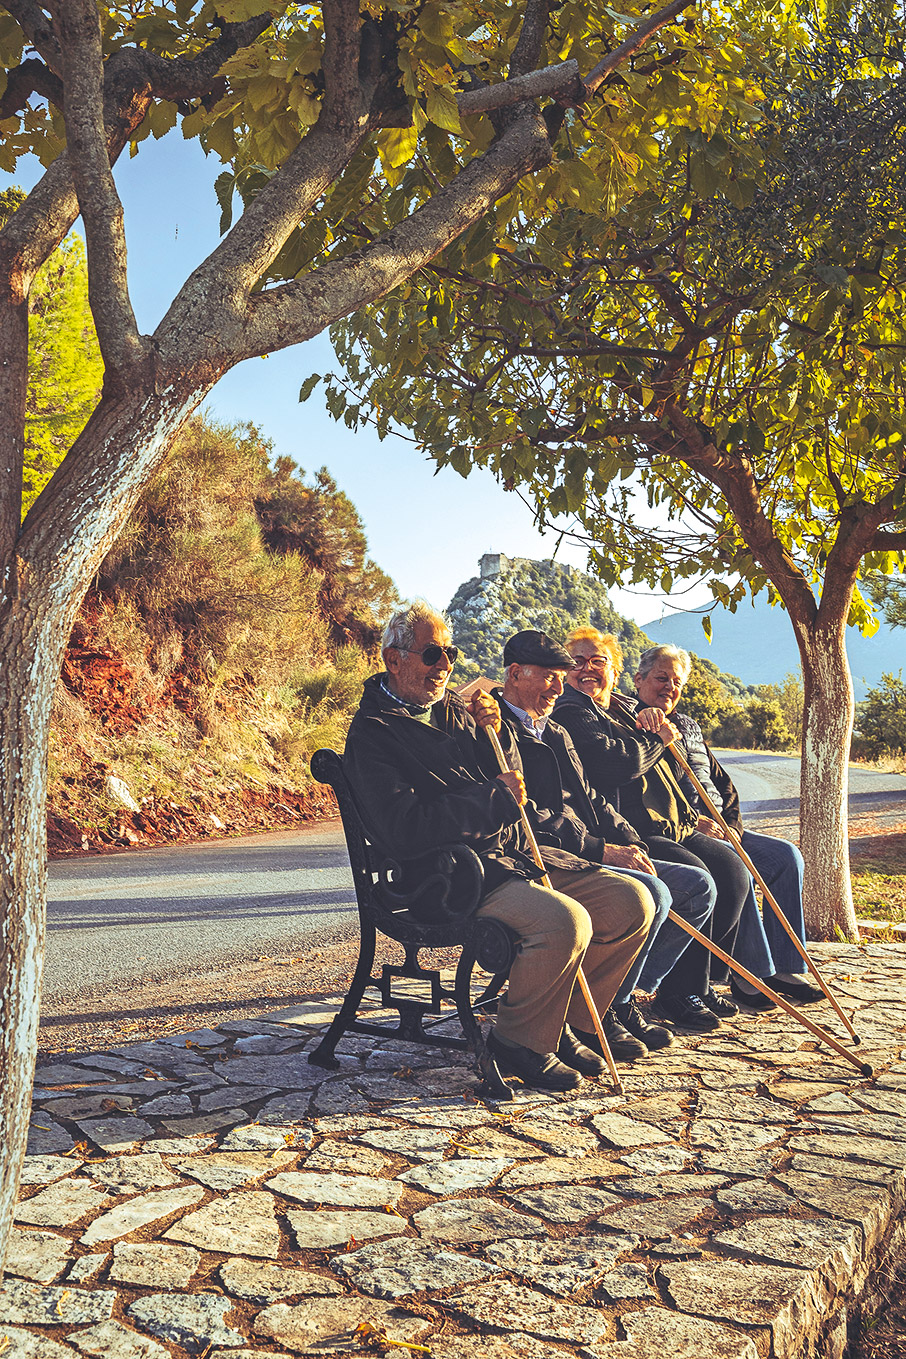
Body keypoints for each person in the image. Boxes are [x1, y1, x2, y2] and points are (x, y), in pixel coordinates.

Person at [343, 602, 656, 1093]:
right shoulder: (372, 734)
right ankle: (517, 1041)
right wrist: (489, 801)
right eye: (431, 655)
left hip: (508, 857)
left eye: (449, 653)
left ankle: (561, 1026)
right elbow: (404, 829)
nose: (444, 666)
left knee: (630, 903)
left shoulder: (454, 711)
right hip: (446, 875)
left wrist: (497, 732)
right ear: (393, 658)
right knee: (565, 921)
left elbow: (512, 779)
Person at [493, 630, 717, 1061]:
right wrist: (603, 850)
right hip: (541, 856)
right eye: (551, 676)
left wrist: (631, 843)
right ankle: (600, 1010)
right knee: (650, 893)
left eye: (564, 676)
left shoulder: (553, 729)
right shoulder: (495, 731)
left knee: (693, 886)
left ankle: (605, 1003)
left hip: (583, 849)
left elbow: (590, 799)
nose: (561, 686)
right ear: (516, 675)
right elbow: (536, 816)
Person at [554, 626, 751, 1032]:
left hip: (652, 826)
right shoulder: (572, 710)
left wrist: (722, 820)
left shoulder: (617, 708)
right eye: (577, 662)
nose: (587, 669)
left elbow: (705, 777)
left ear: (615, 671)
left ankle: (688, 985)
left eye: (598, 662)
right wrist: (658, 738)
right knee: (699, 880)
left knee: (730, 869)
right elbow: (617, 765)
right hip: (623, 831)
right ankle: (648, 992)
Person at [633, 644, 824, 1007]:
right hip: (687, 831)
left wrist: (734, 827)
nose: (669, 687)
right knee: (735, 867)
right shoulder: (636, 722)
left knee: (786, 856)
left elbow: (724, 785)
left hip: (723, 826)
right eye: (661, 678)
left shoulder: (688, 725)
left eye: (676, 682)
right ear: (639, 679)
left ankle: (785, 966)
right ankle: (750, 973)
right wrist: (699, 824)